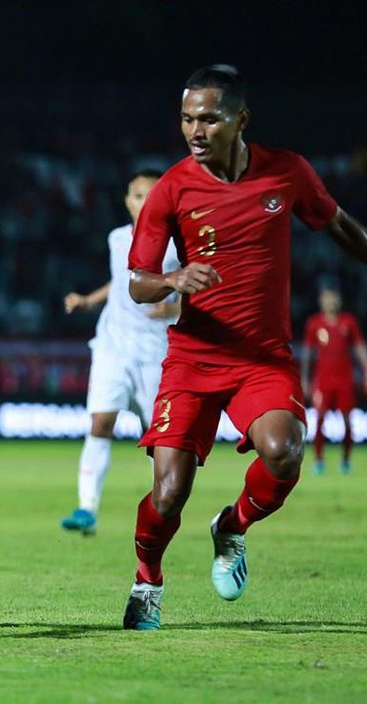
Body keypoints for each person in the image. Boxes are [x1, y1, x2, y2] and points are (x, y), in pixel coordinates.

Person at [122, 64, 367, 630]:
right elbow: (138, 282)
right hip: (193, 359)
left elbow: (338, 225)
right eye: (187, 118)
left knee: (284, 452)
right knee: (167, 494)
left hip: (261, 359)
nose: (195, 130)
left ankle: (231, 526)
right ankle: (147, 578)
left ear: (241, 120)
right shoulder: (172, 189)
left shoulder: (287, 173)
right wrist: (172, 279)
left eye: (209, 118)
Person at [59, 170, 180, 536]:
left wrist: (176, 309)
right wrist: (87, 301)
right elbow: (120, 280)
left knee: (155, 434)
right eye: (137, 195)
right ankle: (86, 508)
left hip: (154, 349)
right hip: (113, 345)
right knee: (100, 422)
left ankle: (163, 505)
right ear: (127, 200)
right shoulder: (116, 239)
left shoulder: (178, 245)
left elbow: (198, 285)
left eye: (150, 195)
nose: (142, 202)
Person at [301, 282, 367, 475]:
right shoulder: (314, 323)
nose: (331, 302)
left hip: (344, 380)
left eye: (334, 298)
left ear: (340, 301)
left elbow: (359, 348)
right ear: (321, 301)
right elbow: (307, 354)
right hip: (322, 381)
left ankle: (345, 461)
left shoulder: (348, 322)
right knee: (319, 420)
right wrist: (305, 379)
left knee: (347, 422)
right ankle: (319, 461)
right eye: (327, 298)